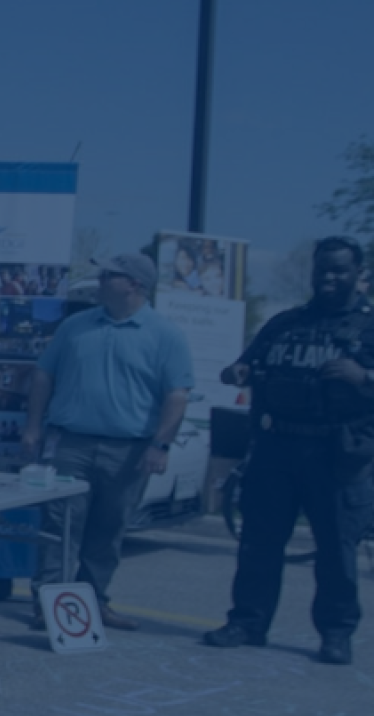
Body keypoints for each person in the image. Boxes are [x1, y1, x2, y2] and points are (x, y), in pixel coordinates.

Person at [203, 237, 374, 665]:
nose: (329, 278)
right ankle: (247, 622)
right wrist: (237, 371)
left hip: (336, 451)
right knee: (259, 542)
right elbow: (242, 366)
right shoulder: (284, 323)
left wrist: (364, 375)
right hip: (276, 448)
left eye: (339, 270)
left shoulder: (369, 327)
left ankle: (336, 634)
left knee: (336, 549)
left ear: (358, 274)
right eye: (322, 270)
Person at [24, 253, 192, 632]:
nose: (99, 281)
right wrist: (33, 426)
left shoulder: (165, 334)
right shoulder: (75, 327)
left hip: (129, 450)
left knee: (108, 530)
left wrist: (160, 446)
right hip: (70, 444)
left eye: (109, 276)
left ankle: (92, 603)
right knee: (60, 525)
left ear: (134, 284)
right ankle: (46, 602)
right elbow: (43, 376)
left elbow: (177, 396)